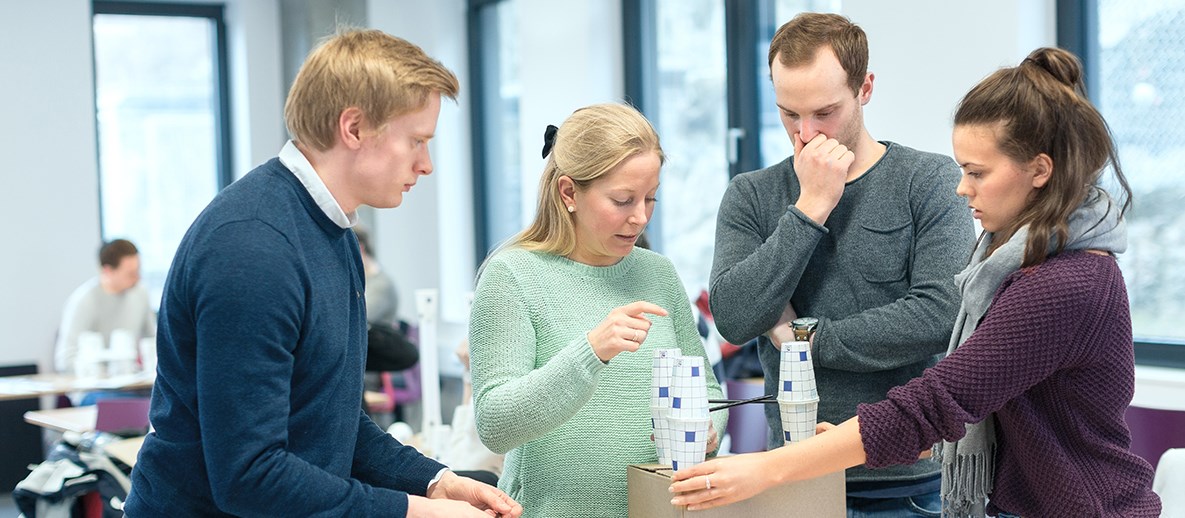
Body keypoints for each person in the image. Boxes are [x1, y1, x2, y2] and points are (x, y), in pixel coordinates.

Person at [671, 47, 1163, 518]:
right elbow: (979, 397)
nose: (961, 187)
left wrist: (766, 467)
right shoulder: (1014, 266)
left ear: (1039, 170)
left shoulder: (1065, 283)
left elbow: (937, 397)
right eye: (789, 114)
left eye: (976, 172)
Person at [124, 29, 522, 518]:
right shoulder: (253, 247)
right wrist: (413, 511)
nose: (427, 165)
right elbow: (250, 477)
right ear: (353, 128)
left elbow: (331, 422)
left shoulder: (330, 231)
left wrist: (437, 483)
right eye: (416, 141)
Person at [707, 12, 973, 514]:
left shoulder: (930, 180)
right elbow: (737, 318)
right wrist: (811, 207)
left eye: (824, 112)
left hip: (912, 483)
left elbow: (941, 314)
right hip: (792, 476)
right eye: (789, 114)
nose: (806, 134)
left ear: (865, 88)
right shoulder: (751, 196)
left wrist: (803, 337)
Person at [468, 103, 729, 517]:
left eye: (650, 198)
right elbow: (496, 425)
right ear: (569, 192)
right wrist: (591, 351)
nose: (640, 217)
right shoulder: (512, 275)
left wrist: (708, 429)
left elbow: (708, 393)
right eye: (623, 200)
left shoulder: (658, 273)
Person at [55, 239, 156, 377]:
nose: (137, 278)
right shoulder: (84, 301)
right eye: (130, 274)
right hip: (94, 388)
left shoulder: (140, 293)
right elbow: (65, 358)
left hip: (132, 381)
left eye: (138, 271)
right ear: (108, 270)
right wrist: (104, 373)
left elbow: (153, 340)